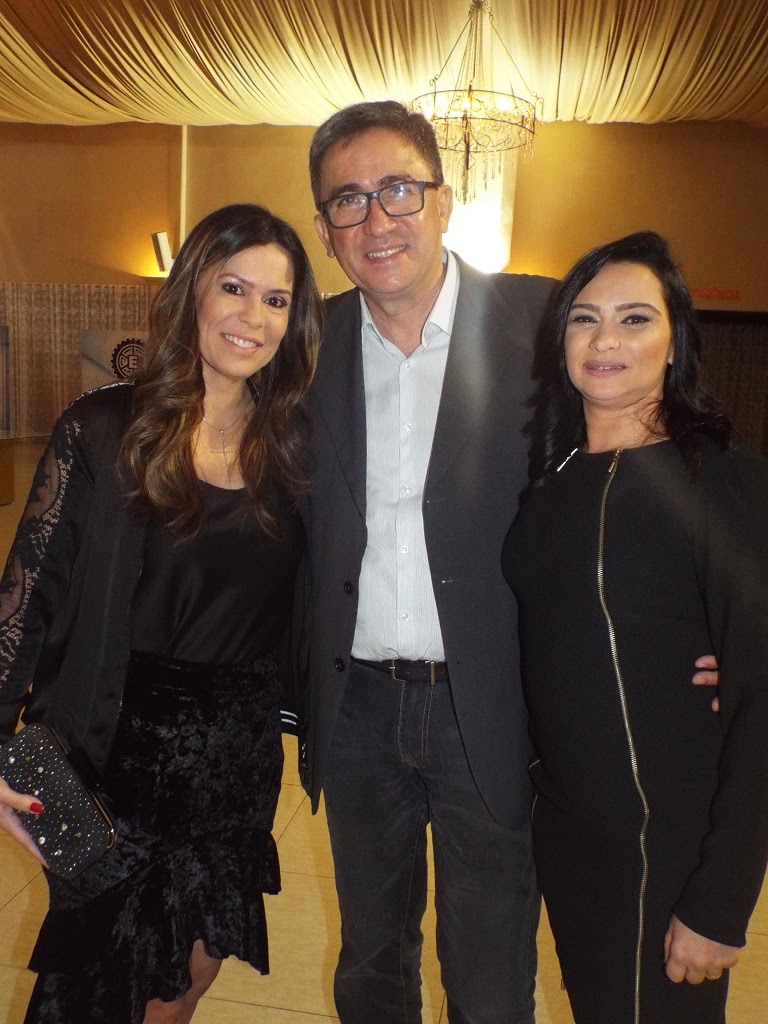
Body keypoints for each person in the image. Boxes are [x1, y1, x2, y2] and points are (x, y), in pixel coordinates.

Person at [296, 102, 718, 1024]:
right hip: (355, 705)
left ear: (445, 200)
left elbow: (650, 459)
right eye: (349, 200)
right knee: (371, 956)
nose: (378, 218)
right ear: (325, 231)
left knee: (490, 969)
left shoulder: (543, 322)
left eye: (399, 189)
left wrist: (704, 622)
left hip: (494, 703)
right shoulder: (306, 347)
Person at [0, 202, 322, 1024]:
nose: (253, 316)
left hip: (233, 761)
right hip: (112, 747)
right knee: (95, 986)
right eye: (233, 287)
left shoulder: (294, 445)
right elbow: (27, 596)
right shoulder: (105, 427)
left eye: (276, 300)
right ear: (193, 292)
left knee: (184, 983)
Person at [502, 230, 768, 1024]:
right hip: (569, 834)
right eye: (584, 319)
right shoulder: (552, 479)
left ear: (676, 342)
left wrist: (723, 900)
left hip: (667, 837)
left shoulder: (724, 479)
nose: (606, 340)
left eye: (635, 319)